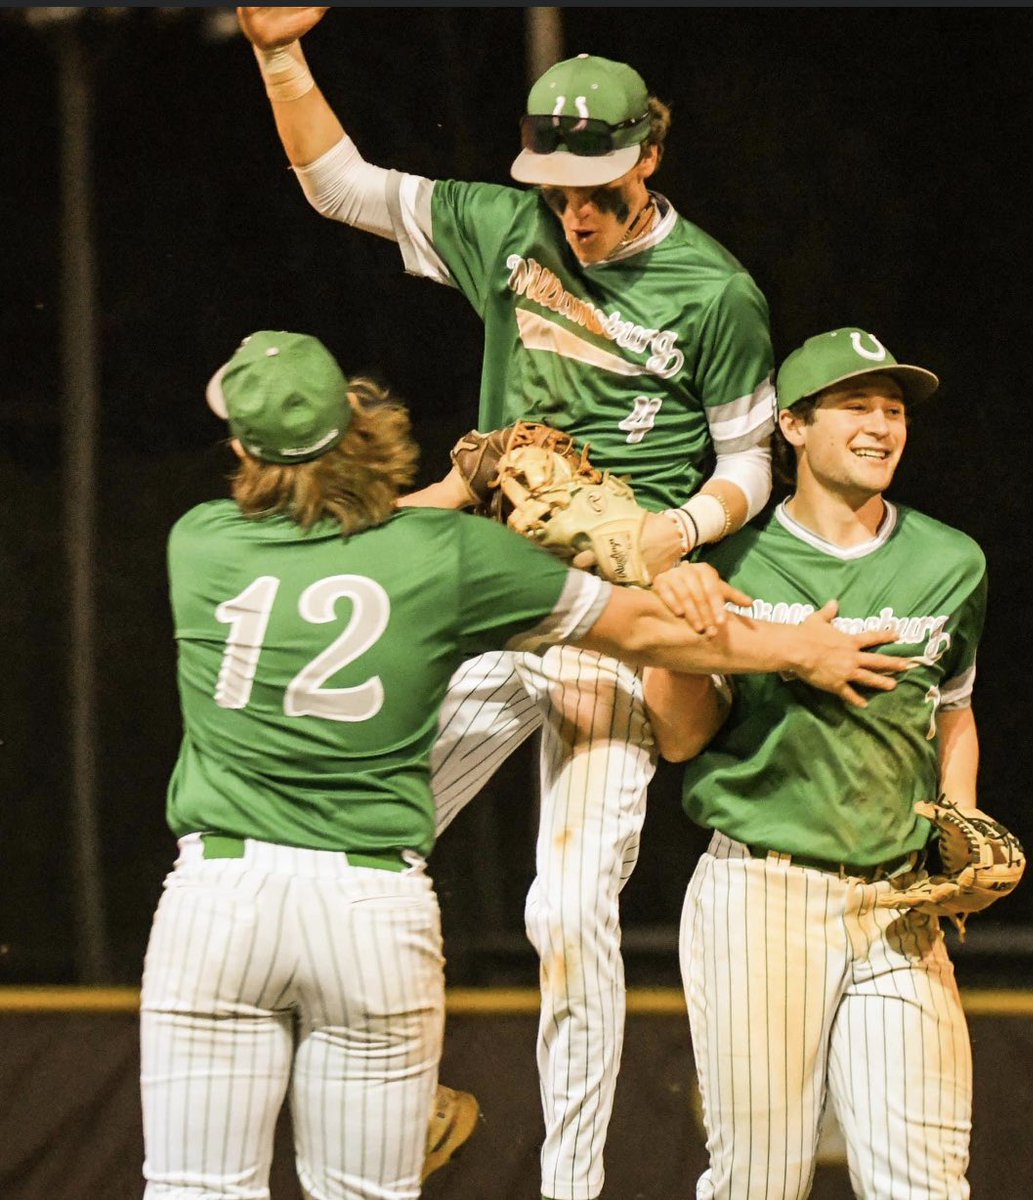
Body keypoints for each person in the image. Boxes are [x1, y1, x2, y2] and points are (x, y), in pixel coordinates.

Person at [141, 329, 908, 1200]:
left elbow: (350, 530)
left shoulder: (199, 542)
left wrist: (451, 486)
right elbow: (646, 629)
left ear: (242, 449)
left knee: (193, 1189)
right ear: (361, 431)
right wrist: (797, 648)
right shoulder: (449, 559)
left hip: (217, 901)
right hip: (368, 911)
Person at [235, 11, 779, 1198]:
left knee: (567, 908)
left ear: (649, 156)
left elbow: (750, 462)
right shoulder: (506, 224)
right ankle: (408, 1094)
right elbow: (338, 186)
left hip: (617, 608)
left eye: (596, 186)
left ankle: (568, 1188)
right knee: (343, 846)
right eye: (558, 187)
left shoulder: (715, 291)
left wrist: (673, 529)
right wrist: (281, 55)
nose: (575, 212)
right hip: (493, 587)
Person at [644, 327, 992, 1200]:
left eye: (894, 408)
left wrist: (964, 822)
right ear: (792, 427)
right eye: (855, 405)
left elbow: (950, 709)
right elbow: (679, 739)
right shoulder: (735, 558)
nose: (881, 424)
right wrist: (680, 630)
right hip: (763, 896)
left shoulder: (950, 561)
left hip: (895, 909)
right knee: (759, 1184)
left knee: (927, 1185)